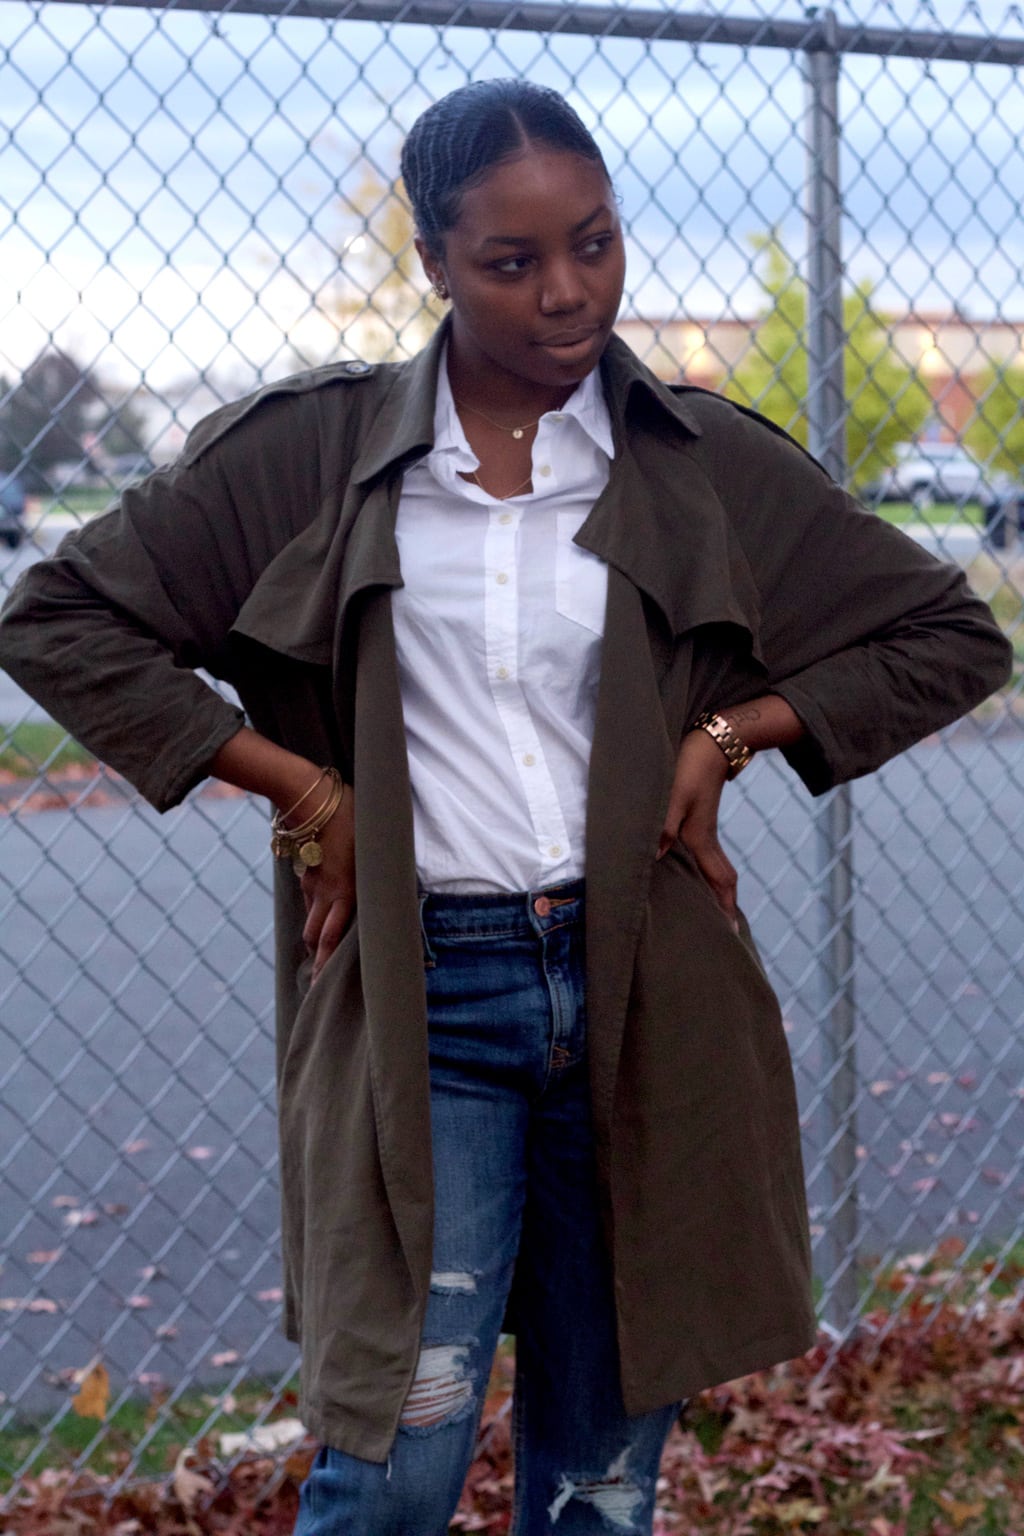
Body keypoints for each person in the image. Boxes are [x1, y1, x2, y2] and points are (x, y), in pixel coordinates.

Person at [0, 79, 1011, 1536]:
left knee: (600, 1475)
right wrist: (299, 787)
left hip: (641, 994)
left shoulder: (697, 461)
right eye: (513, 262)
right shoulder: (317, 455)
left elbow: (948, 640)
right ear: (433, 265)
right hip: (430, 1001)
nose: (568, 295)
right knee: (396, 1465)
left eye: (594, 246)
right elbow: (61, 620)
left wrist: (727, 736)